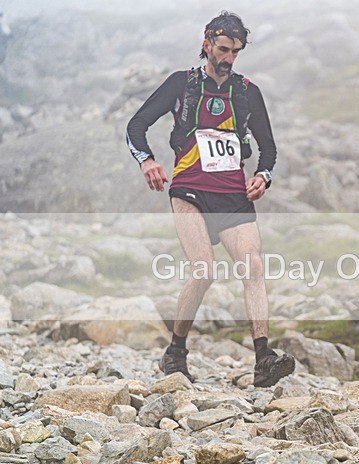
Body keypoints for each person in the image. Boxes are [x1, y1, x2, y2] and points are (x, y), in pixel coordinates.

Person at [126, 11, 294, 387]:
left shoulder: (247, 91)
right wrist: (147, 160)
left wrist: (263, 177)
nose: (229, 58)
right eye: (223, 49)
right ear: (207, 44)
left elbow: (268, 149)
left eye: (235, 51)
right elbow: (136, 126)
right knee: (204, 270)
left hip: (233, 194)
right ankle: (176, 351)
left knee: (252, 268)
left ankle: (263, 358)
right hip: (189, 189)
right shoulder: (181, 84)